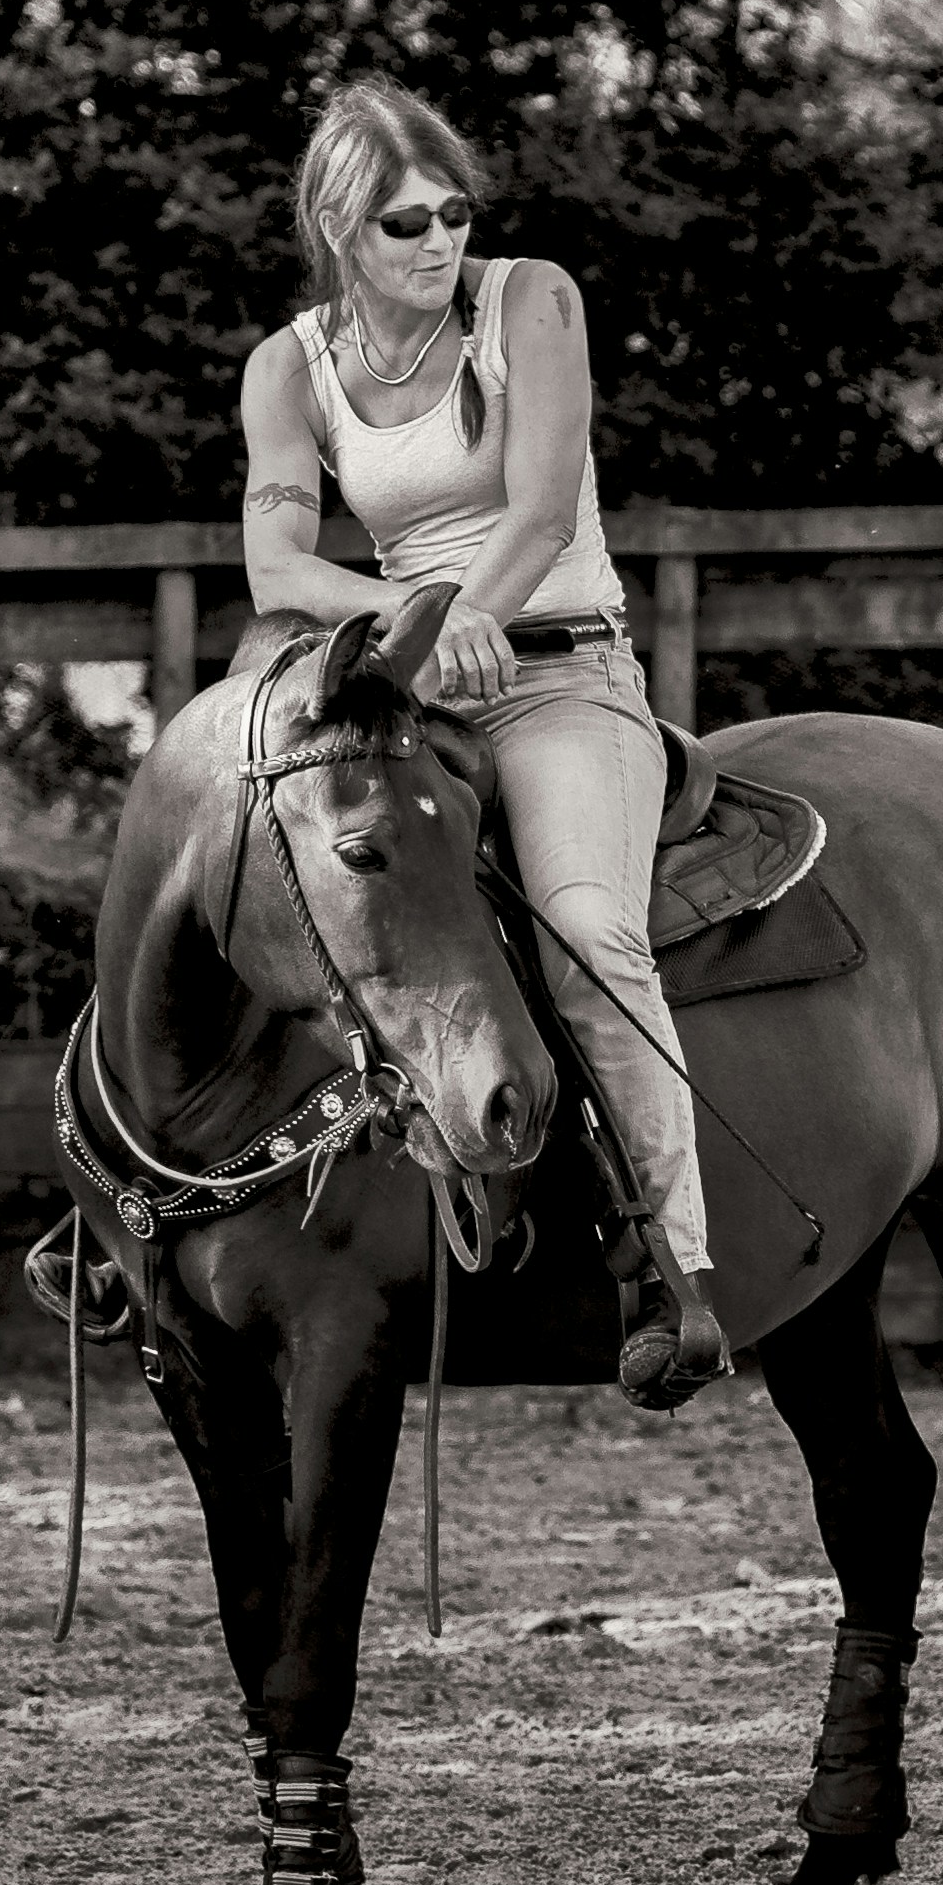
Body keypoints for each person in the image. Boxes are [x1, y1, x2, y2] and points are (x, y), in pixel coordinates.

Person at [235, 75, 723, 1409]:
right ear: (343, 228)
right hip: (406, 688)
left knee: (583, 929)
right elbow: (275, 557)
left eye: (455, 211)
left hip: (561, 669)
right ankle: (160, 1208)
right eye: (406, 222)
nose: (441, 237)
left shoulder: (532, 301)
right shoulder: (293, 368)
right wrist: (408, 622)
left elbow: (543, 504)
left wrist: (467, 623)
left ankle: (673, 1273)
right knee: (269, 880)